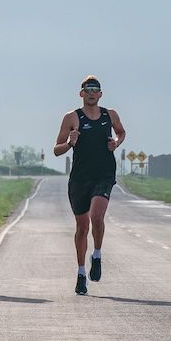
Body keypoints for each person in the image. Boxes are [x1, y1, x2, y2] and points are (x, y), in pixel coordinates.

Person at [53, 76, 126, 295]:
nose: (92, 93)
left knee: (97, 216)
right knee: (82, 228)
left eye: (95, 90)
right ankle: (81, 273)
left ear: (100, 94)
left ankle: (97, 255)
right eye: (88, 90)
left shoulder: (109, 115)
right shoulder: (71, 117)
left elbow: (121, 132)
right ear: (81, 93)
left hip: (103, 174)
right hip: (79, 179)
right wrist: (70, 143)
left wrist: (117, 143)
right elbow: (56, 149)